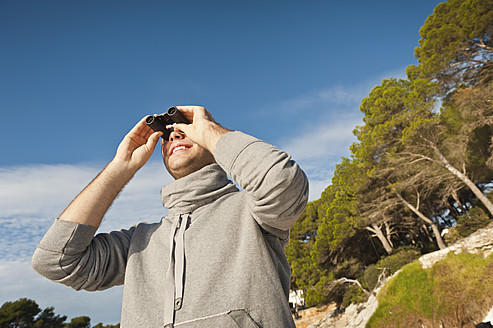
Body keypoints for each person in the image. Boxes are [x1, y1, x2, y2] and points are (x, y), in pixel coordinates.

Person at [32, 106, 309, 327]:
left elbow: (282, 182)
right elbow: (55, 260)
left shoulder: (252, 210)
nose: (174, 135)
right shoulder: (138, 243)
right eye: (166, 135)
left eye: (185, 130)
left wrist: (209, 130)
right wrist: (121, 167)